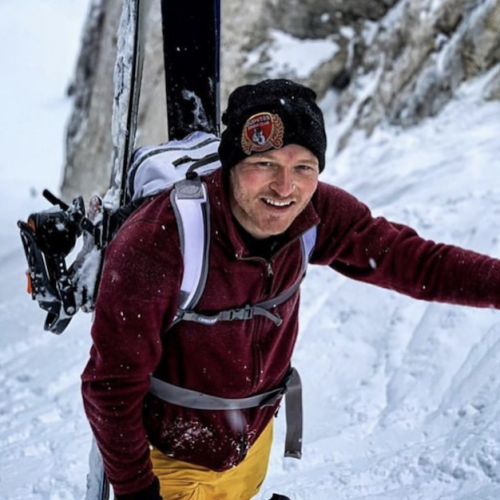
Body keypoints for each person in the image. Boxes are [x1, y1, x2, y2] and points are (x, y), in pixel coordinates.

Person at [81, 79, 500, 500]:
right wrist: (137, 491)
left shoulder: (316, 213)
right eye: (264, 164)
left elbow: (414, 261)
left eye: (303, 168)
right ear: (230, 165)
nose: (285, 188)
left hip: (251, 446)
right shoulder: (160, 239)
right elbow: (111, 384)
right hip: (169, 459)